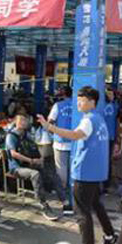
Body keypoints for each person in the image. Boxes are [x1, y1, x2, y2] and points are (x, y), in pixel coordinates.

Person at [38, 86, 117, 244]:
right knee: (96, 204)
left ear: (92, 101)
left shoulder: (88, 120)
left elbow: (74, 135)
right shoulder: (99, 119)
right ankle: (110, 236)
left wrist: (50, 127)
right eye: (78, 100)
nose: (78, 103)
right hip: (95, 172)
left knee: (82, 213)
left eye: (81, 100)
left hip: (85, 172)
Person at [5, 114, 60, 221]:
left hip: (26, 165)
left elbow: (35, 146)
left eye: (25, 120)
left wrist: (39, 159)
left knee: (46, 168)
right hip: (16, 168)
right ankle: (43, 205)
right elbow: (13, 154)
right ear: (16, 122)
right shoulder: (11, 136)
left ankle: (51, 192)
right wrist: (30, 160)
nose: (23, 122)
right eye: (21, 120)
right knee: (35, 174)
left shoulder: (26, 135)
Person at [48, 86, 73, 214]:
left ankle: (65, 201)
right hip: (74, 143)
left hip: (60, 143)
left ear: (63, 94)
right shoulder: (78, 106)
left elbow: (50, 122)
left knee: (61, 175)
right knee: (72, 174)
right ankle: (73, 201)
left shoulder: (57, 106)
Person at [102, 86, 121, 191]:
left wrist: (118, 136)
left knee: (108, 161)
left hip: (111, 137)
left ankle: (106, 184)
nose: (109, 96)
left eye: (111, 94)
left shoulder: (116, 106)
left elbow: (117, 122)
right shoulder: (100, 105)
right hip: (100, 138)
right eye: (107, 94)